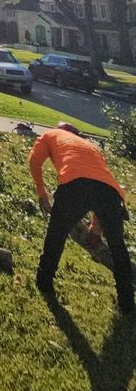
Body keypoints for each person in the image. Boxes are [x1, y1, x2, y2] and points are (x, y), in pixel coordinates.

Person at [29, 121, 134, 314]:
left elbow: (34, 161)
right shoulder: (90, 146)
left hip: (74, 185)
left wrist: (42, 194)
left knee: (56, 234)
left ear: (61, 130)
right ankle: (127, 302)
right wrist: (96, 227)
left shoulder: (50, 134)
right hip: (111, 192)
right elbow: (98, 182)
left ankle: (44, 282)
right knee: (118, 246)